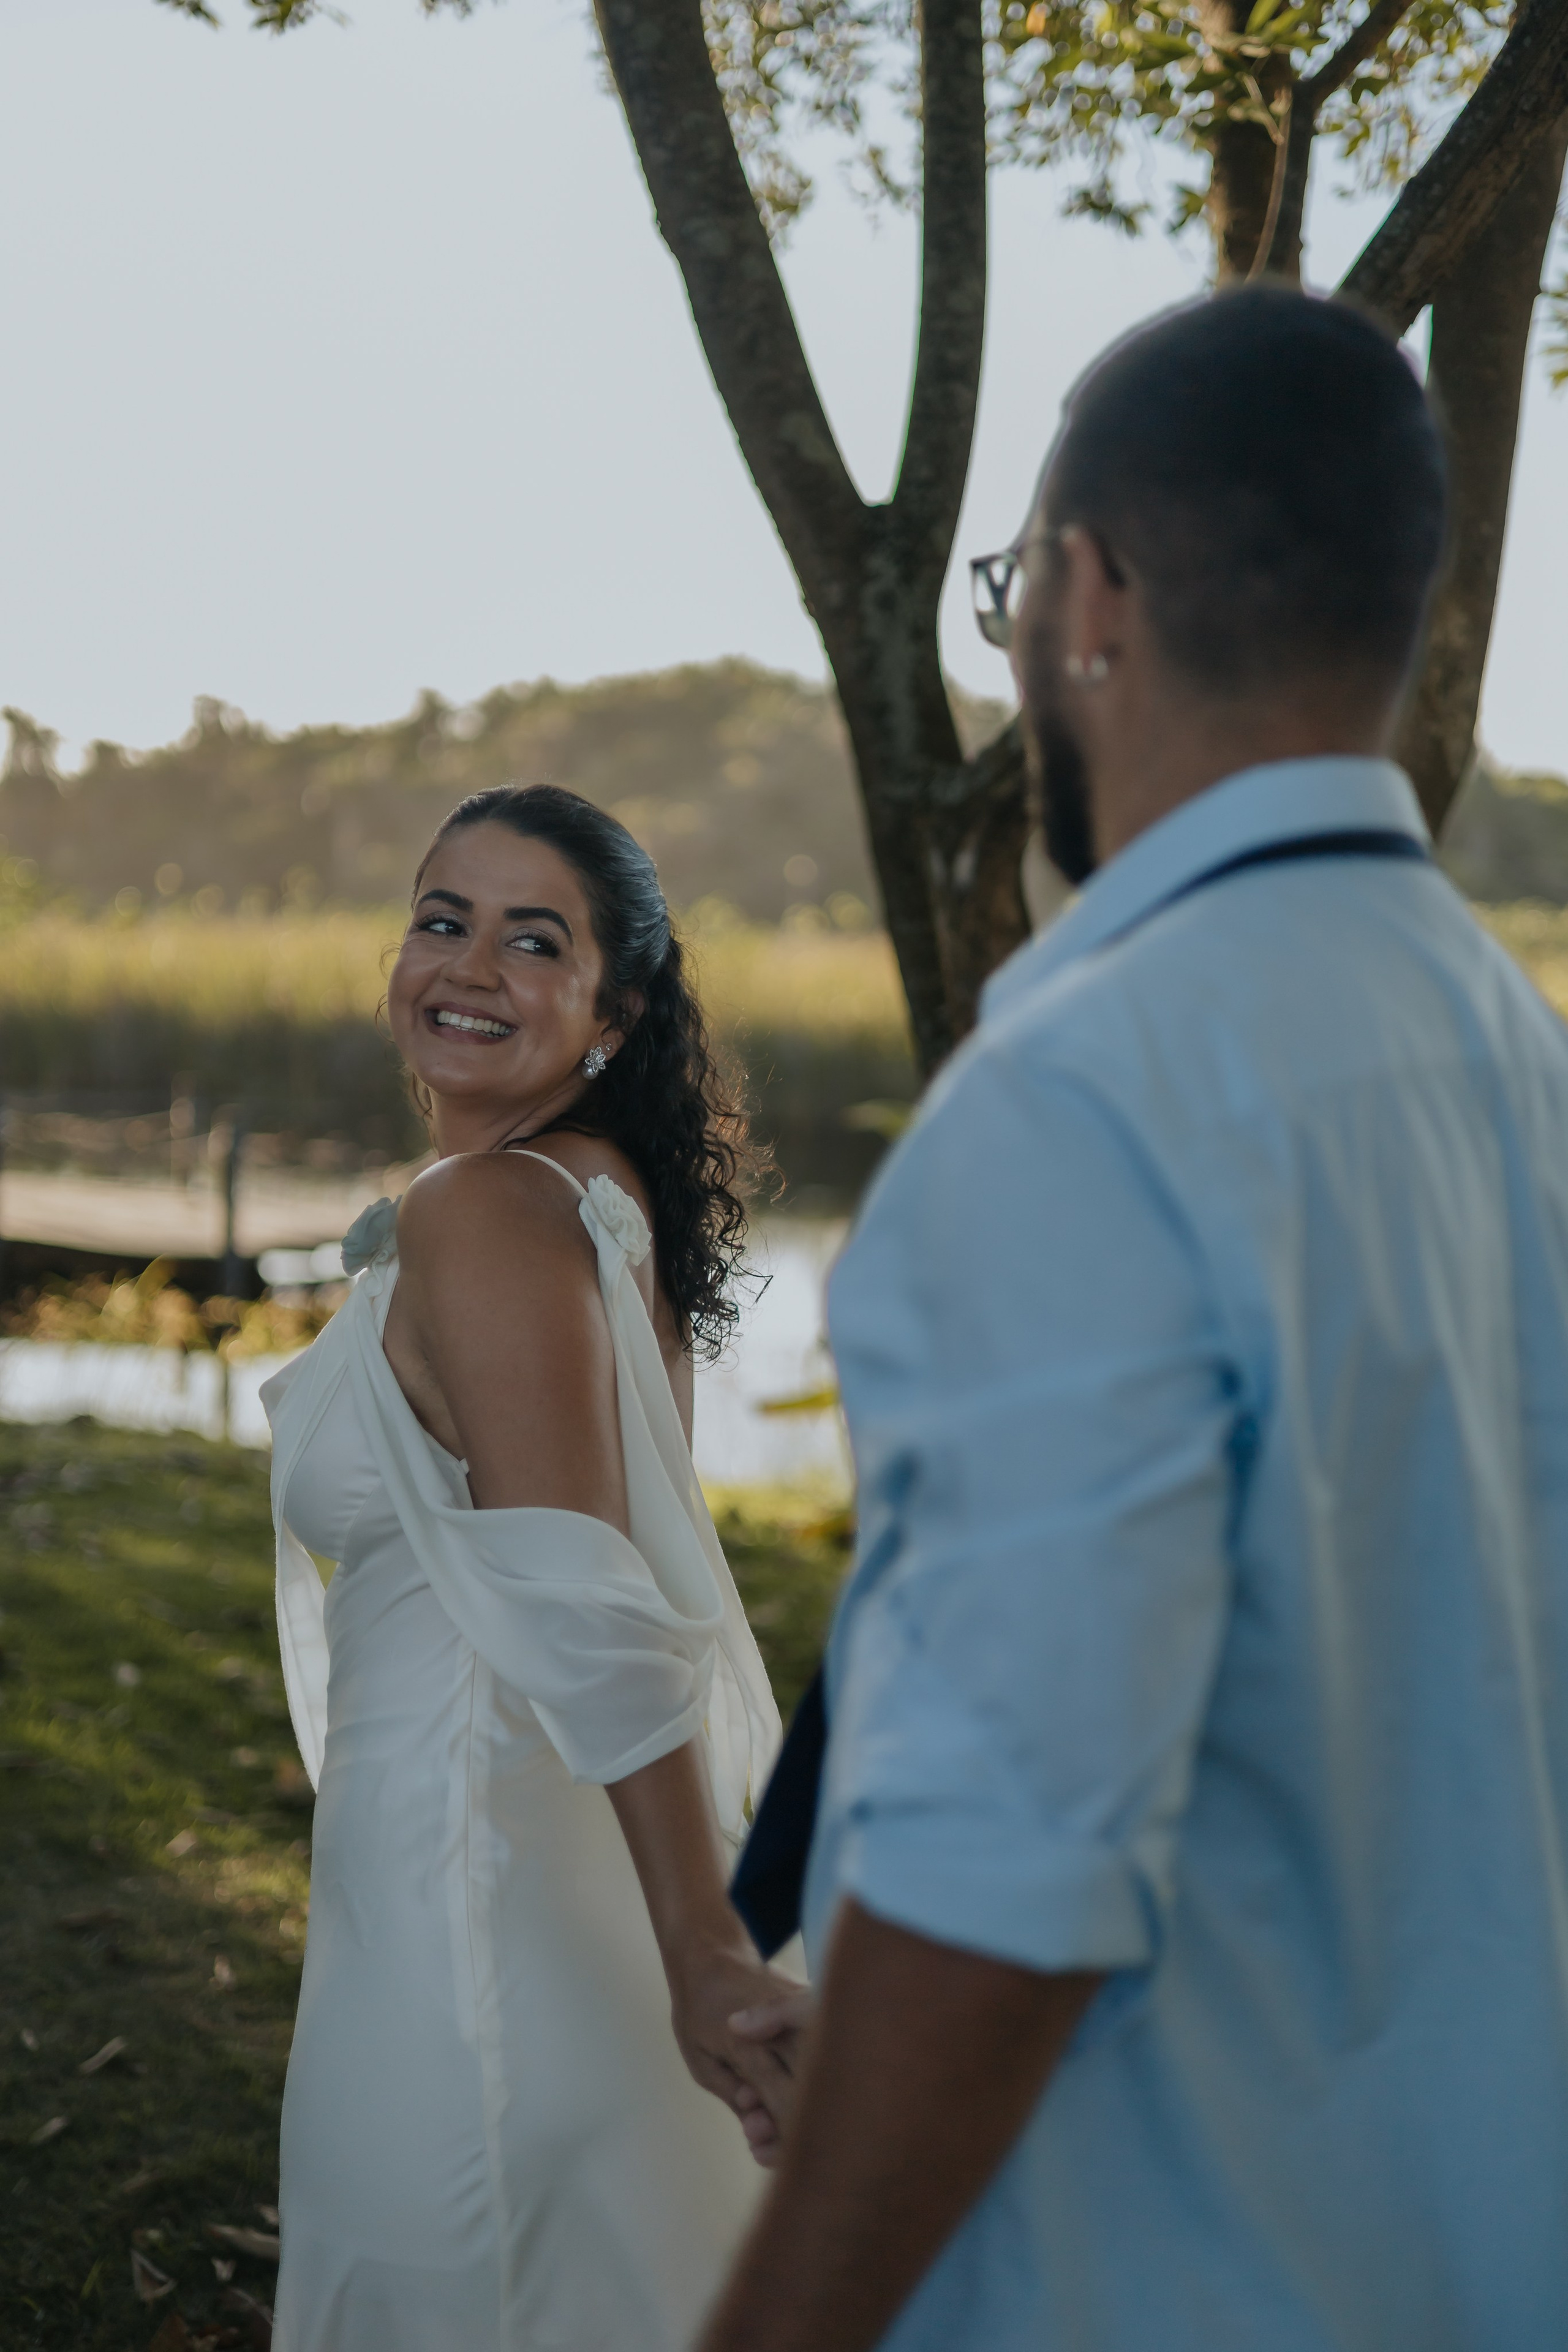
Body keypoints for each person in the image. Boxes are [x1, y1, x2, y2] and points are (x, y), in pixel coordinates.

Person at [704, 284, 1568, 2351]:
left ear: (1090, 594)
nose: (1012, 635)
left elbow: (1001, 1892)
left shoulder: (1084, 1096)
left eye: (1008, 582)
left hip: (1158, 2277)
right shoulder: (1511, 1058)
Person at [260, 785, 794, 2352]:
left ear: (612, 1011)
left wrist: (704, 1950)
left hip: (471, 1914)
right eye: (442, 919)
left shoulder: (487, 1210)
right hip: (559, 1911)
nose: (469, 965)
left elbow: (595, 1609)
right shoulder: (600, 1209)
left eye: (530, 939)